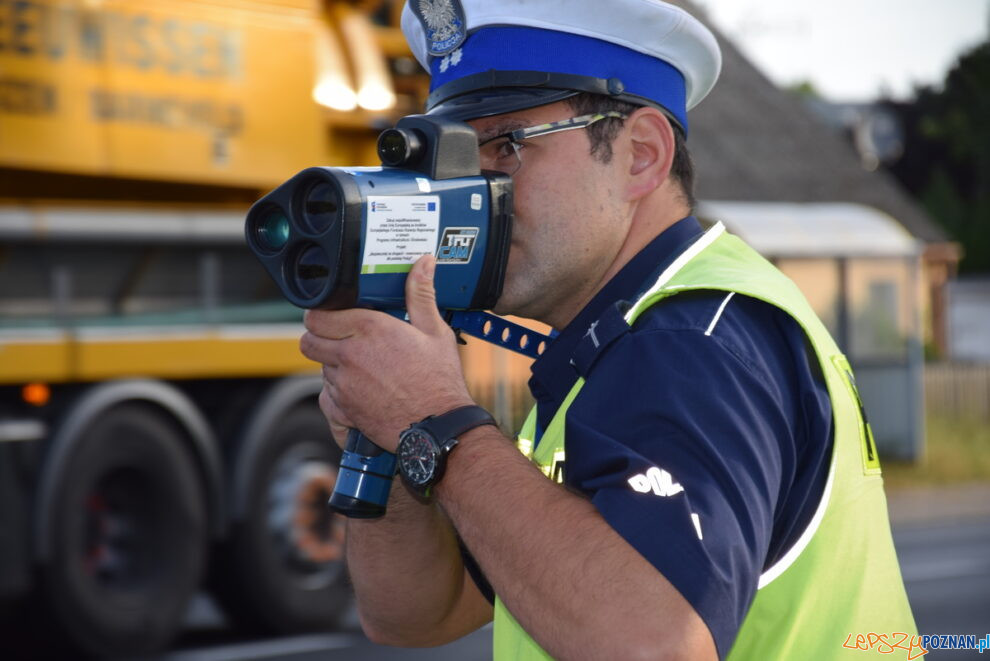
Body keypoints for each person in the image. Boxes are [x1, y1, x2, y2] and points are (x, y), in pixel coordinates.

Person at [300, 1, 917, 658]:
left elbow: (655, 645)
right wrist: (390, 430)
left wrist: (438, 420)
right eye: (457, 151)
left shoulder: (687, 340)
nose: (474, 188)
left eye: (510, 143)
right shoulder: (613, 344)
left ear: (642, 156)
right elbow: (416, 615)